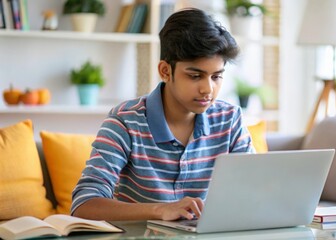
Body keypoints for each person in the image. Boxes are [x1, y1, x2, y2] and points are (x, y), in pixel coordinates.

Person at [71, 8, 254, 221]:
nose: (208, 89)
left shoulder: (229, 119)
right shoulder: (125, 121)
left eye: (216, 76)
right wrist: (160, 210)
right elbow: (84, 204)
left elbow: (253, 190)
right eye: (195, 76)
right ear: (165, 71)